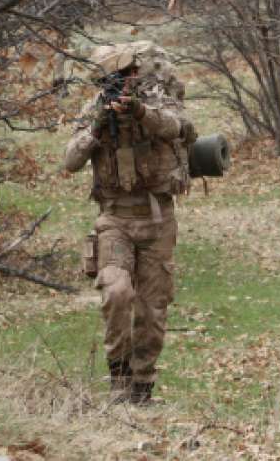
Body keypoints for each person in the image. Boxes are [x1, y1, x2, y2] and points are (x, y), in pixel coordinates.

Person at [63, 41, 196, 404]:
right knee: (117, 293)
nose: (117, 85)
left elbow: (179, 128)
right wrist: (96, 128)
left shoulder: (156, 98)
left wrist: (139, 113)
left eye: (122, 77)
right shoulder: (94, 110)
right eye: (109, 80)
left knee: (152, 310)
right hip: (114, 218)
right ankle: (118, 380)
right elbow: (70, 161)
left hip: (157, 218)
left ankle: (142, 388)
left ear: (134, 73)